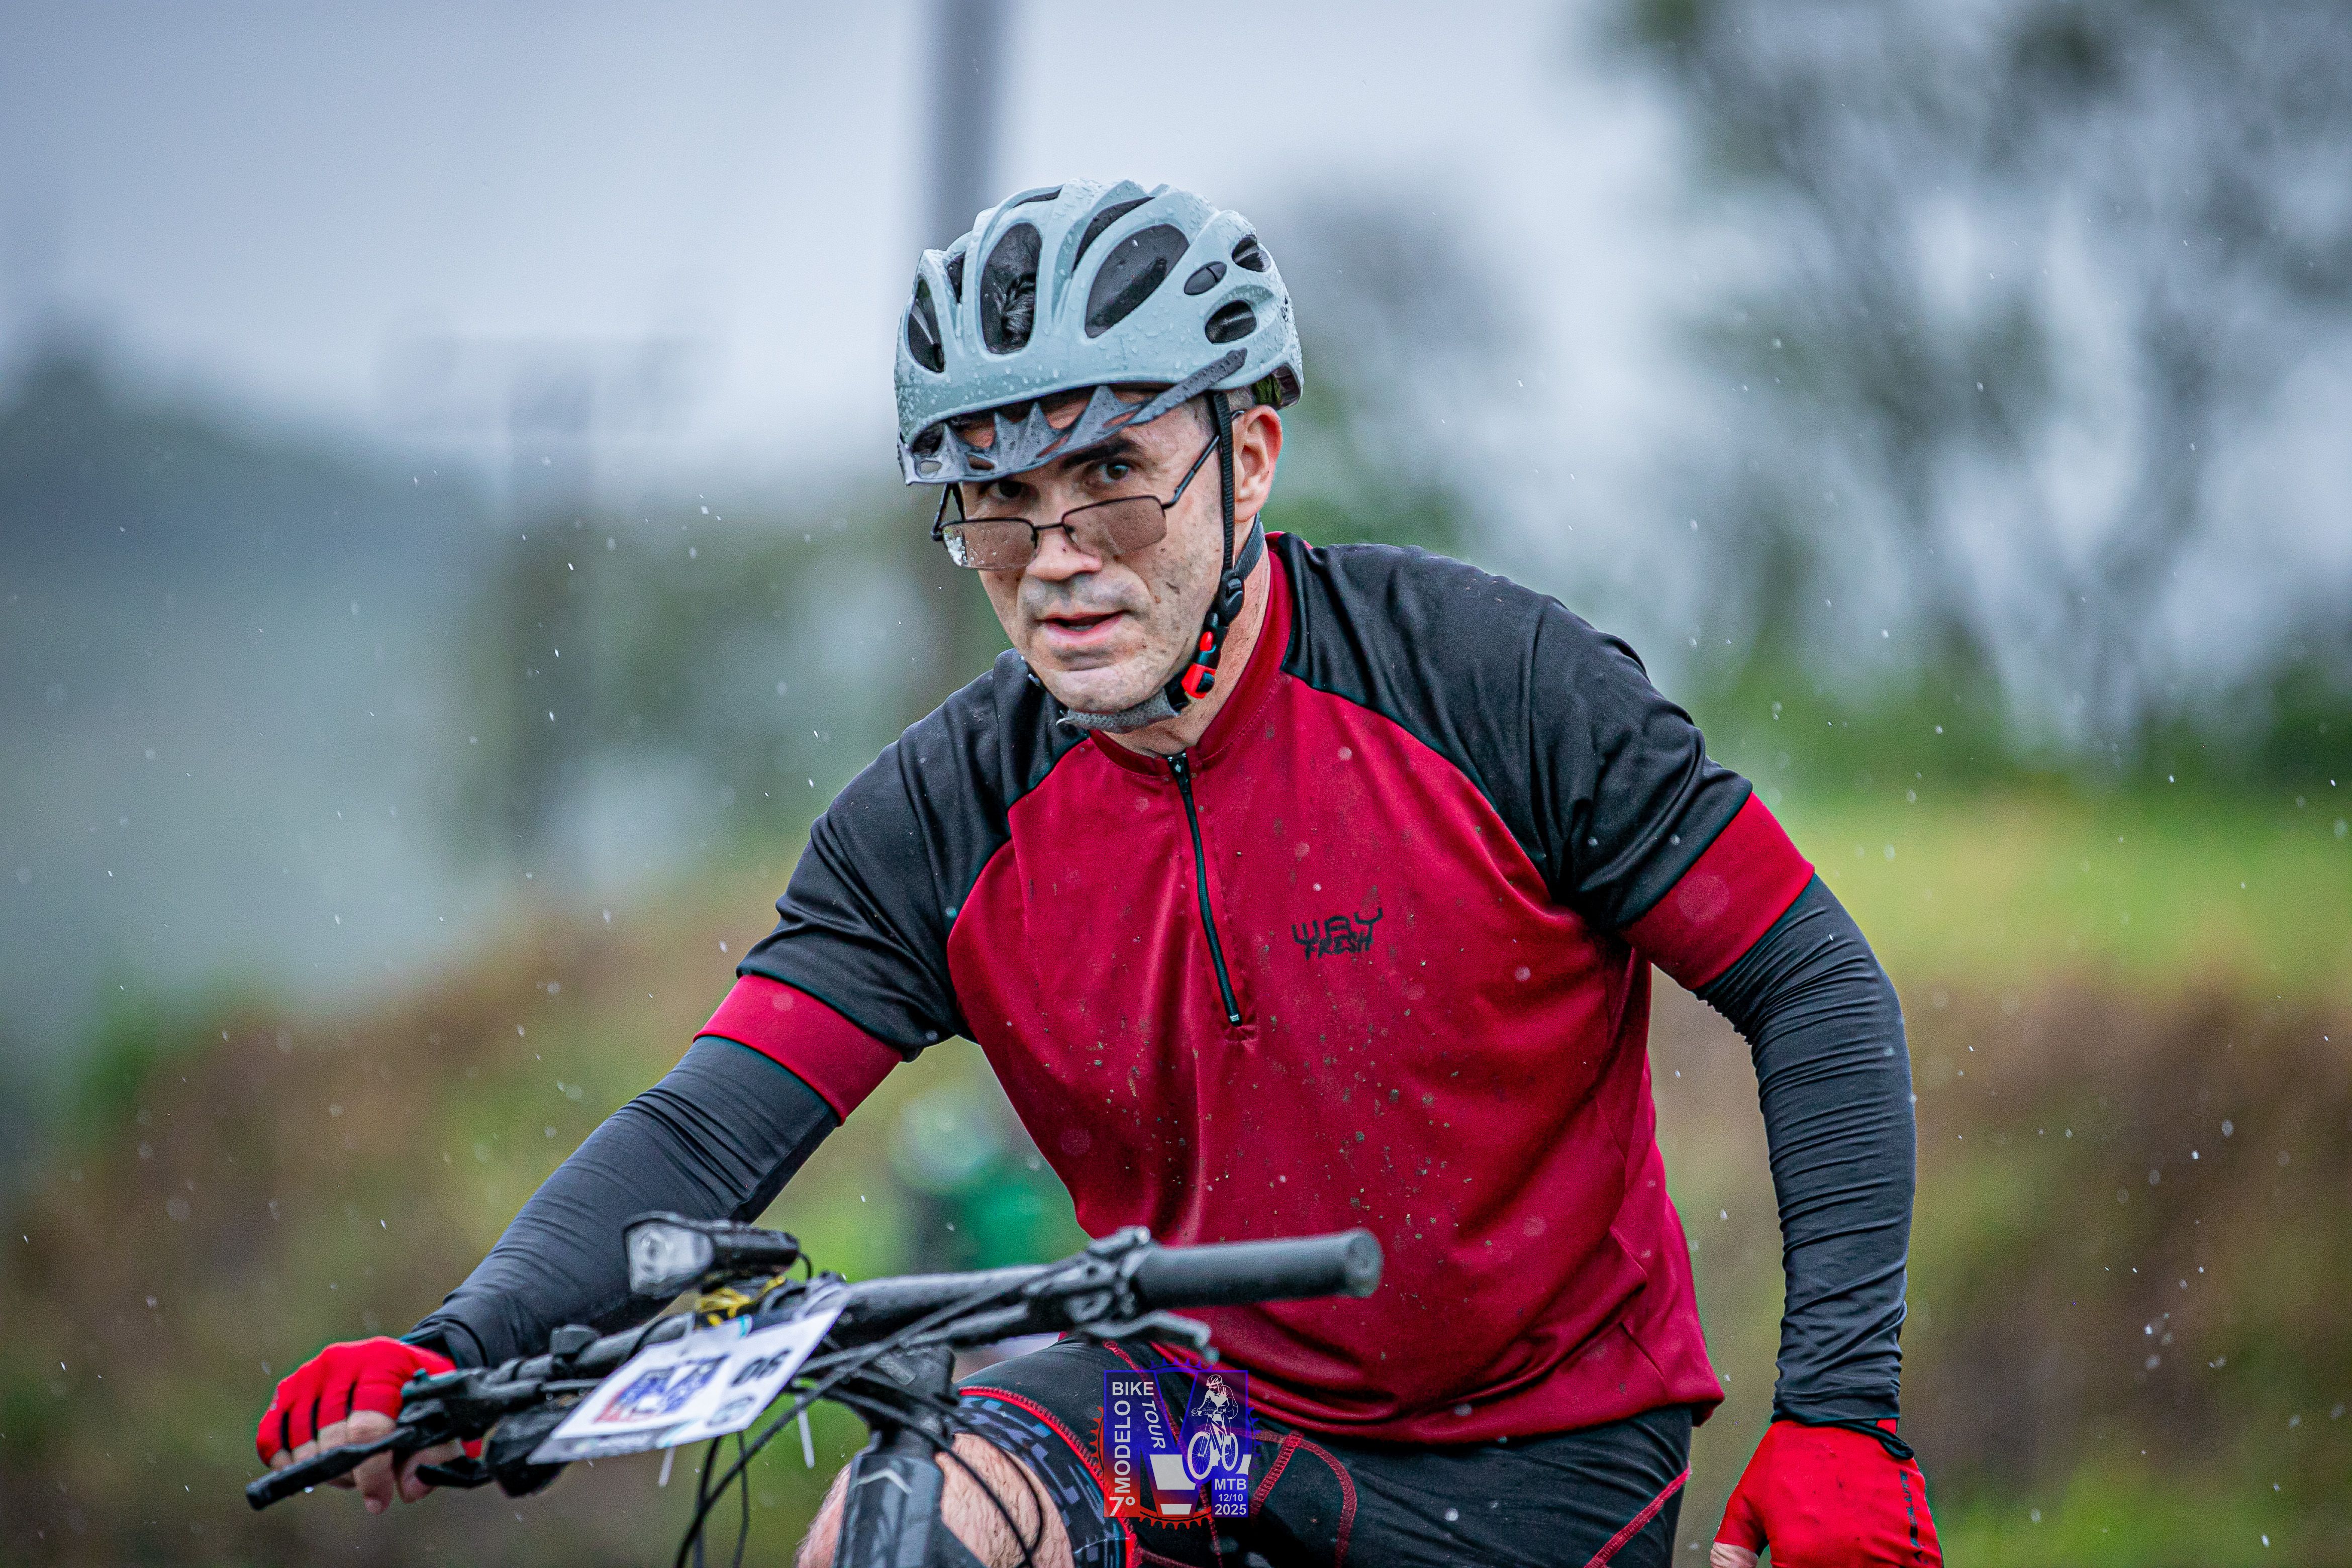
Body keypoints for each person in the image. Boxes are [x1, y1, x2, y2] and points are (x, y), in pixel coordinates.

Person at [257, 179, 1943, 1567]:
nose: (1057, 561)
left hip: (1547, 1456)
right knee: (908, 1524)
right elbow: (710, 1129)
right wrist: (460, 1346)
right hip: (1192, 1413)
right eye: (1000, 503)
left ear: (1249, 460)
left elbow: (1810, 983)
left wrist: (1838, 1415)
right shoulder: (941, 819)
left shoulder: (1495, 688)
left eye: (1114, 485)